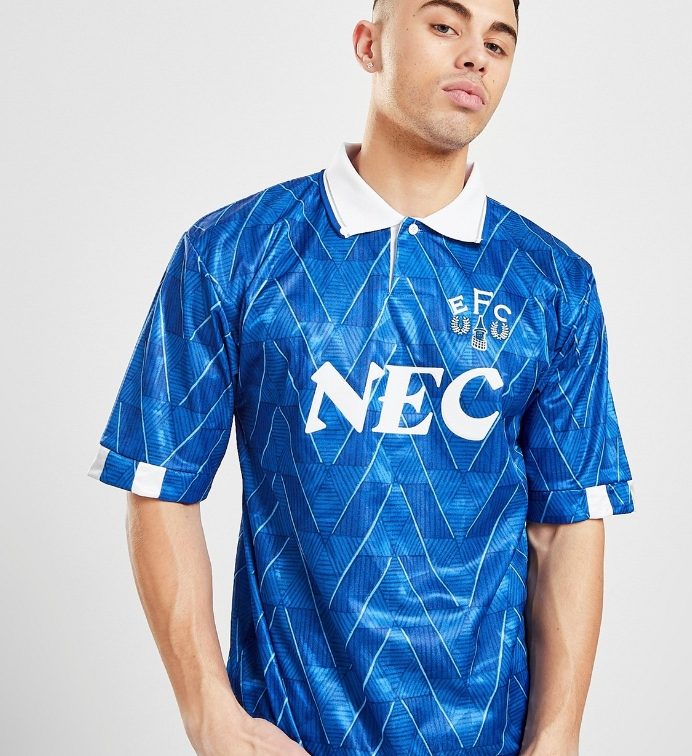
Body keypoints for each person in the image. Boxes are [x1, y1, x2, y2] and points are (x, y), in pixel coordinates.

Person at [88, 0, 635, 753]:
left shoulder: (551, 283)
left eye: (498, 42)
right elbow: (159, 480)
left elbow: (566, 523)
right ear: (368, 44)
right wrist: (207, 710)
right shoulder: (232, 253)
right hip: (289, 733)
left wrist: (558, 735)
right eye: (444, 26)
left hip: (486, 738)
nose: (474, 55)